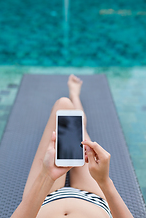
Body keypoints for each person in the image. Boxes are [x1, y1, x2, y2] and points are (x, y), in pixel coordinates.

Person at [11, 75, 133, 218]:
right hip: (93, 199)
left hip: (43, 200)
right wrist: (104, 181)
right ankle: (75, 96)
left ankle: (74, 98)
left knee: (63, 106)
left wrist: (46, 175)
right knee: (76, 125)